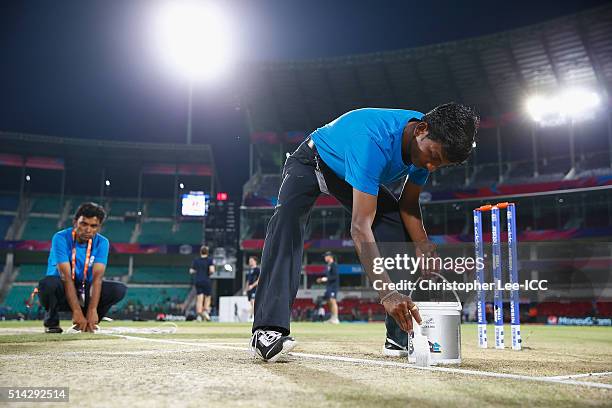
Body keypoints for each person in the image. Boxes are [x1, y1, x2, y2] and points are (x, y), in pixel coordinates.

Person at [250, 103, 479, 362]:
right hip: (312, 161)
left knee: (396, 229)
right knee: (286, 224)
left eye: (440, 165)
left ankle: (398, 335)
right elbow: (360, 228)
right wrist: (387, 293)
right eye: (434, 157)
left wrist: (423, 244)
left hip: (350, 172)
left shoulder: (424, 147)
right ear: (421, 130)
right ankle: (267, 331)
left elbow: (408, 205)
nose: (430, 167)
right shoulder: (374, 143)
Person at [38, 202, 127, 333]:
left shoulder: (102, 242)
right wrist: (76, 311)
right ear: (75, 222)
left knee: (118, 289)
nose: (88, 229)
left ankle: (90, 321)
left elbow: (97, 278)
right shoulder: (61, 238)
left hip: (84, 289)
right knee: (48, 284)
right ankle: (52, 322)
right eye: (83, 224)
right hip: (61, 288)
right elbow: (66, 277)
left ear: (99, 227)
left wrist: (92, 310)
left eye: (93, 226)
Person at [189, 245, 215, 321]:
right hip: (206, 280)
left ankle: (199, 315)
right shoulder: (209, 260)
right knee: (207, 297)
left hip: (198, 280)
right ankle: (205, 311)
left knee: (199, 298)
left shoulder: (196, 260)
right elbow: (212, 270)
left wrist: (198, 271)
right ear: (207, 252)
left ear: (200, 252)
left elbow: (191, 271)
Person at [316, 251, 340, 324]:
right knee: (329, 301)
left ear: (330, 257)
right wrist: (323, 279)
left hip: (333, 286)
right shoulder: (328, 266)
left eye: (326, 256)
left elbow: (335, 276)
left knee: (333, 301)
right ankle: (332, 318)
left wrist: (324, 279)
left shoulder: (334, 265)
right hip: (329, 286)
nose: (325, 258)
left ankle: (335, 318)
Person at [244, 256, 260, 322]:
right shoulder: (249, 270)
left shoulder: (257, 270)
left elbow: (259, 279)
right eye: (249, 261)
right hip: (249, 289)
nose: (250, 262)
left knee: (254, 303)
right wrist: (246, 289)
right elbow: (248, 280)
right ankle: (253, 316)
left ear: (255, 261)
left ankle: (251, 317)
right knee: (251, 303)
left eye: (251, 260)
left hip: (255, 288)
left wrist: (252, 286)